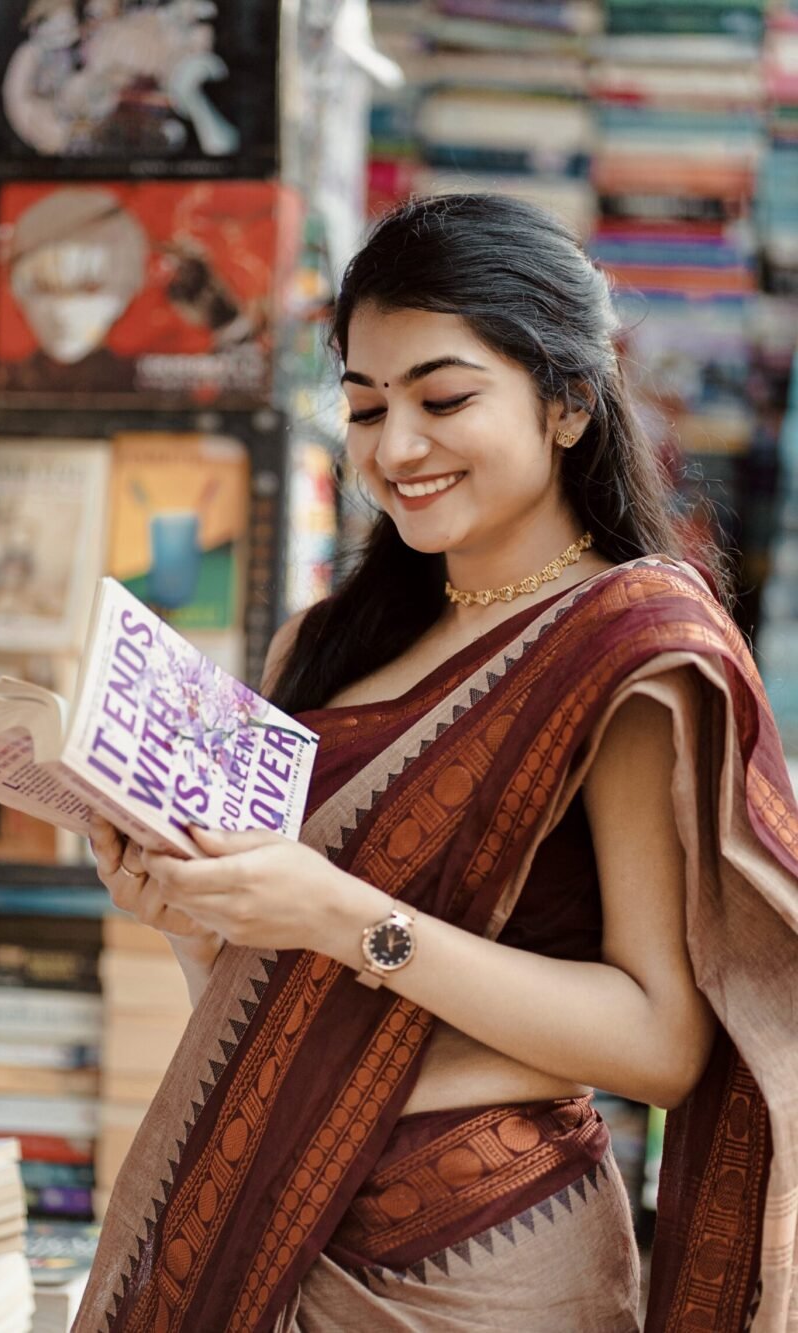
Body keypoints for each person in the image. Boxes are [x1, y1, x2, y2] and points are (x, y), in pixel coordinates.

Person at [75, 194, 798, 1332]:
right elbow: (255, 1001)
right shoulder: (321, 644)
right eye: (364, 408)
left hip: (480, 1265)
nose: (394, 448)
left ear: (568, 401)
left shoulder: (624, 652)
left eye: (443, 398)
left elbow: (658, 1043)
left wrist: (342, 914)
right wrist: (179, 901)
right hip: (264, 1222)